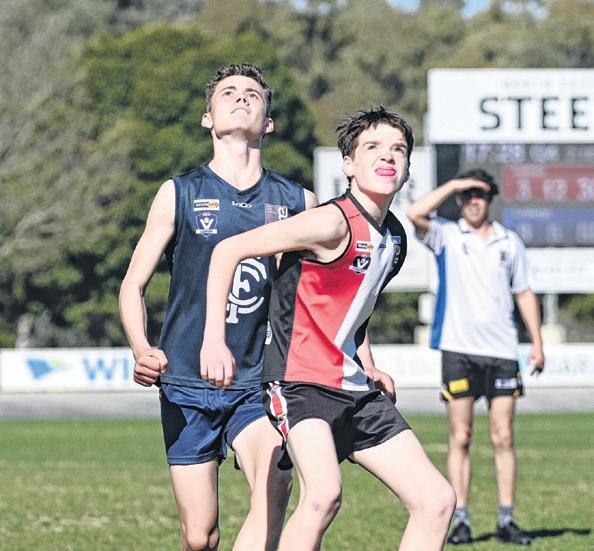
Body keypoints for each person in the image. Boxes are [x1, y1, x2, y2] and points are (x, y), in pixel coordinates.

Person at [201, 106, 456, 551]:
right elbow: (227, 251)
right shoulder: (330, 221)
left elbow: (351, 308)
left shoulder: (394, 238)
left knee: (436, 501)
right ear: (348, 165)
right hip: (300, 383)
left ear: (408, 168)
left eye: (398, 149)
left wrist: (369, 364)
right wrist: (213, 341)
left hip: (354, 389)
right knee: (322, 495)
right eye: (372, 147)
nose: (387, 156)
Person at [119, 63, 317, 551]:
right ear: (207, 118)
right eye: (228, 93)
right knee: (200, 535)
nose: (241, 98)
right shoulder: (179, 192)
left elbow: (325, 293)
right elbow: (132, 285)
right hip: (186, 381)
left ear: (269, 122)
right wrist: (142, 348)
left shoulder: (298, 201)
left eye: (253, 94)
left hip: (259, 380)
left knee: (275, 483)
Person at [406, 168, 545, 546]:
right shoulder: (447, 235)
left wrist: (536, 341)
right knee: (461, 436)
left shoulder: (509, 242)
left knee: (503, 435)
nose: (473, 201)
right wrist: (455, 183)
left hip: (502, 352)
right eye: (466, 195)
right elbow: (414, 213)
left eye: (479, 194)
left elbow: (524, 292)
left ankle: (506, 519)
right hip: (459, 350)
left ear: (490, 199)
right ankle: (462, 520)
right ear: (458, 199)